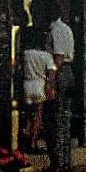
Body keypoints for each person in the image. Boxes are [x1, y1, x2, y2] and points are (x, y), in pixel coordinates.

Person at [46, 0, 76, 172]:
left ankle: (59, 161)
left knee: (57, 118)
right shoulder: (67, 28)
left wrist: (50, 81)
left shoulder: (55, 30)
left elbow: (58, 58)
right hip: (68, 71)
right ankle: (65, 160)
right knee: (65, 119)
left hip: (60, 73)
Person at [19, 24, 55, 153]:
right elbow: (51, 72)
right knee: (38, 115)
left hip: (27, 85)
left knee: (28, 114)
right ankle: (33, 142)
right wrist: (50, 86)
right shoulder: (46, 56)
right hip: (40, 85)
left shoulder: (25, 54)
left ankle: (25, 137)